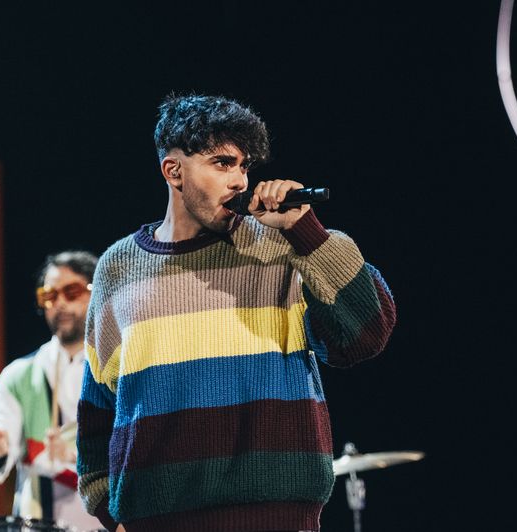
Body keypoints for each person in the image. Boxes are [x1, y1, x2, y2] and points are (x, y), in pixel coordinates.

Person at [77, 94, 397, 532]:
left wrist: (304, 230)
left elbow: (366, 334)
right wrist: (108, 510)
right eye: (223, 163)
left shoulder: (283, 247)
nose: (241, 181)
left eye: (245, 166)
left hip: (277, 518)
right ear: (174, 171)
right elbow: (97, 410)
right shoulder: (119, 267)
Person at [0, 251, 103, 531]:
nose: (59, 303)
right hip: (37, 522)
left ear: (98, 292)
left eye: (71, 292)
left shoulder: (114, 370)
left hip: (101, 521)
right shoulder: (19, 375)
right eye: (49, 296)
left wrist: (75, 457)